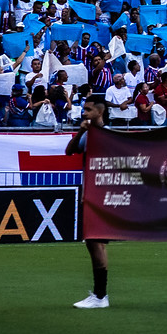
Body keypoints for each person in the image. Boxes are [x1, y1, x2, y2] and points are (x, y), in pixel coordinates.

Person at [67, 97, 114, 309]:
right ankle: (100, 295)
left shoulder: (108, 135)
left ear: (99, 112)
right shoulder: (89, 134)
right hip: (93, 195)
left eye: (88, 109)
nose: (84, 113)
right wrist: (81, 131)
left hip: (101, 197)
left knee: (95, 243)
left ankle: (100, 296)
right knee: (95, 244)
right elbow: (70, 150)